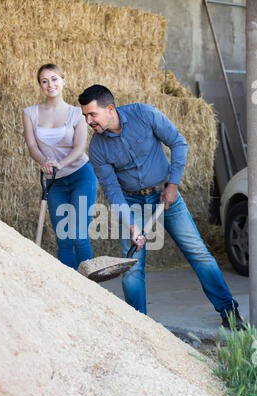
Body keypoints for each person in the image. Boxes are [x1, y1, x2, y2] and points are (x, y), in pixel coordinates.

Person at [78, 84, 245, 330]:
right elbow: (112, 191)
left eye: (92, 114)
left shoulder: (144, 114)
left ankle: (230, 314)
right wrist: (132, 226)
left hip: (165, 197)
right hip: (131, 201)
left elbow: (178, 143)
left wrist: (173, 185)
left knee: (198, 253)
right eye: (85, 116)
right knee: (133, 267)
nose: (88, 121)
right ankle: (141, 326)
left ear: (110, 109)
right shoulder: (98, 148)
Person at [22, 64, 97, 269]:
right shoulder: (30, 113)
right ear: (39, 85)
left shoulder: (76, 114)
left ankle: (90, 288)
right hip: (54, 181)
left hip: (81, 176)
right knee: (63, 237)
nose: (50, 84)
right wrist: (43, 161)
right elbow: (31, 145)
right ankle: (69, 290)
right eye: (44, 81)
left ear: (64, 80)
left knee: (79, 235)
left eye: (54, 79)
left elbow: (80, 147)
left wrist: (60, 164)